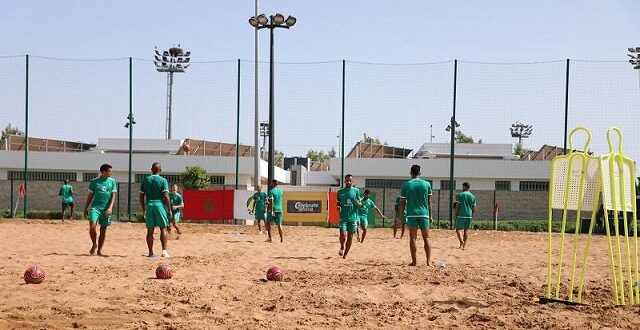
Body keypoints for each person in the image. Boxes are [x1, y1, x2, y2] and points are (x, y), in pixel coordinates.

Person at [399, 165, 433, 266]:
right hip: (424, 214)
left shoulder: (406, 185)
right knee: (426, 238)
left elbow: (402, 203)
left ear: (410, 173)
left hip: (412, 214)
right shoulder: (427, 184)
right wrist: (431, 215)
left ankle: (414, 262)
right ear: (420, 173)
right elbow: (430, 201)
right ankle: (428, 262)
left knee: (412, 238)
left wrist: (401, 216)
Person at [140, 162, 173, 258]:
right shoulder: (163, 180)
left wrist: (143, 209)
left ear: (151, 170)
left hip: (149, 205)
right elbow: (166, 196)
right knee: (163, 228)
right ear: (160, 170)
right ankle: (164, 251)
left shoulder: (146, 180)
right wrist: (169, 209)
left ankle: (150, 253)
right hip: (159, 205)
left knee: (150, 230)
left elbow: (141, 196)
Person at [83, 164, 117, 256]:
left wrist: (110, 207)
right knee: (93, 226)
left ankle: (99, 250)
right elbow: (90, 196)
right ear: (104, 172)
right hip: (95, 208)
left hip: (106, 209)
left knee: (103, 230)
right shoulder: (94, 182)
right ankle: (94, 244)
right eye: (110, 171)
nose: (111, 173)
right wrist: (85, 207)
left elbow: (113, 195)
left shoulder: (112, 181)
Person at [337, 174, 362, 258]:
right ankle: (342, 246)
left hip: (353, 218)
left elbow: (360, 203)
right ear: (344, 181)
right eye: (347, 180)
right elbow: (338, 202)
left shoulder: (356, 191)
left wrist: (358, 203)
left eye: (350, 180)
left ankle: (345, 255)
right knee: (343, 236)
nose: (348, 182)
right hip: (343, 217)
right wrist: (338, 206)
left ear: (352, 181)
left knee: (350, 237)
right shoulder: (340, 192)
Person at [455, 182, 477, 250]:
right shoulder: (473, 196)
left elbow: (457, 206)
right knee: (466, 231)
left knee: (458, 230)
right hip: (469, 215)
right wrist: (471, 215)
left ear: (464, 187)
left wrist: (456, 214)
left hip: (461, 214)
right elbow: (474, 208)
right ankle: (464, 246)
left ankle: (461, 242)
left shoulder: (460, 195)